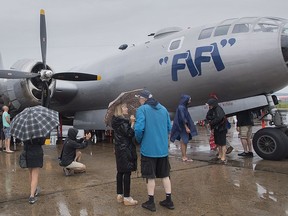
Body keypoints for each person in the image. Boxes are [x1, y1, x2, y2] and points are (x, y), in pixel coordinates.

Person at [134, 89, 174, 212]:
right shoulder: (163, 109)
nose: (139, 100)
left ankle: (151, 202)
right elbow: (169, 127)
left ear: (144, 99)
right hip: (162, 149)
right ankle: (169, 200)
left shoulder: (142, 110)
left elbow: (139, 129)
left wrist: (139, 140)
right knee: (165, 175)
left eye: (139, 98)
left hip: (148, 149)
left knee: (150, 176)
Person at [111, 103, 138, 206]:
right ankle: (127, 197)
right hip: (125, 149)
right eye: (125, 107)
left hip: (119, 149)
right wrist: (132, 123)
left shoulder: (116, 121)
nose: (127, 108)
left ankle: (119, 195)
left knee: (120, 171)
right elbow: (130, 133)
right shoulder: (123, 122)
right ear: (120, 109)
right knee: (127, 172)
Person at [170, 94, 197, 162]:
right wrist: (186, 127)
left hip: (183, 127)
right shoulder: (181, 107)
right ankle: (184, 157)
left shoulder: (182, 107)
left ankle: (184, 156)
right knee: (183, 141)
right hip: (183, 127)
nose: (190, 101)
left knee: (185, 142)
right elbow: (183, 118)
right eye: (189, 99)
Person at [23, 137, 46, 204]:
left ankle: (33, 190)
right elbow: (42, 142)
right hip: (37, 153)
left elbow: (24, 142)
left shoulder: (26, 131)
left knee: (30, 173)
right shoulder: (39, 131)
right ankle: (32, 196)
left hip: (28, 153)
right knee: (35, 175)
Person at [206, 98, 227, 163]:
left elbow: (219, 118)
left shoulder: (218, 109)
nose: (209, 106)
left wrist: (211, 122)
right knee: (218, 143)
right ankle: (220, 154)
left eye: (210, 105)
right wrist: (211, 120)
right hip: (216, 128)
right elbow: (207, 116)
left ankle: (223, 156)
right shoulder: (212, 109)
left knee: (223, 143)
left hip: (221, 128)